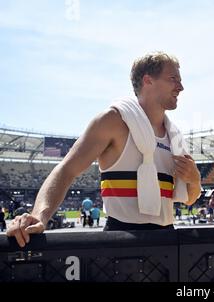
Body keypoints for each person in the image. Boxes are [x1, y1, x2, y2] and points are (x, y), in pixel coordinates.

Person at [7, 51, 202, 247]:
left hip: (166, 240)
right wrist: (39, 216)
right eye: (173, 79)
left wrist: (195, 180)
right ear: (148, 80)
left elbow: (189, 199)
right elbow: (66, 169)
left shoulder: (174, 135)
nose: (181, 87)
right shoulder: (113, 121)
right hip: (121, 240)